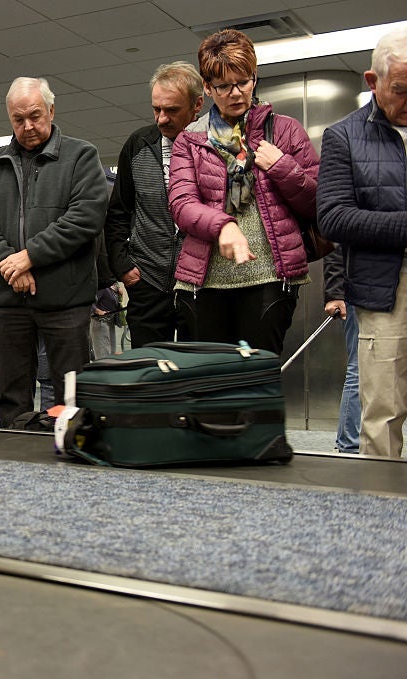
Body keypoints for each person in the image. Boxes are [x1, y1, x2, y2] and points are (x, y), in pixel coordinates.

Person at [0, 77, 108, 427]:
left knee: (69, 392)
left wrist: (30, 256)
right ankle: (16, 461)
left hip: (66, 298)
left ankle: (70, 456)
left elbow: (85, 217)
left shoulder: (82, 155)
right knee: (11, 392)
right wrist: (10, 263)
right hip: (8, 299)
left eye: (35, 116)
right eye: (18, 119)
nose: (27, 126)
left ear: (51, 111)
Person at [169, 29, 318, 355]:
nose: (236, 93)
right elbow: (181, 203)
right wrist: (223, 224)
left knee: (257, 386)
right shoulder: (190, 140)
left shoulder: (285, 130)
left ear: (255, 77)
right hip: (203, 284)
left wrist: (281, 167)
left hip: (269, 280)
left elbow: (317, 203)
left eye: (244, 82)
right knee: (211, 391)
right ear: (207, 88)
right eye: (224, 86)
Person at [317, 26, 407, 458]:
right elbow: (332, 217)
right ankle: (379, 509)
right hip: (383, 290)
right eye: (401, 90)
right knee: (383, 410)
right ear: (373, 83)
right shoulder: (343, 137)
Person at [106, 61, 203, 347]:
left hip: (198, 284)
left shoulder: (212, 146)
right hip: (147, 280)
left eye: (172, 110)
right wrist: (122, 265)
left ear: (197, 104)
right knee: (148, 373)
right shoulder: (138, 145)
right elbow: (117, 213)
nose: (161, 119)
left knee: (195, 371)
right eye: (156, 109)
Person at [322, 246, 359, 454]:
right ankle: (350, 444)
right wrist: (334, 291)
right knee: (360, 367)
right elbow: (335, 242)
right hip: (360, 288)